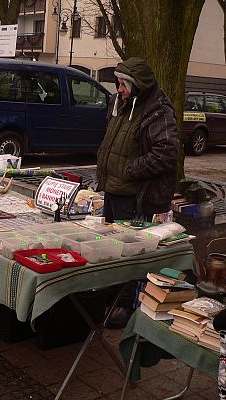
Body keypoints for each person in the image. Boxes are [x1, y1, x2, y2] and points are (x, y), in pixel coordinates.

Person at [96, 57, 179, 328]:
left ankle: (125, 306)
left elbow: (167, 152)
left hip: (134, 196)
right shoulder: (120, 104)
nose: (118, 89)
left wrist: (132, 169)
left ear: (137, 85)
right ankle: (108, 298)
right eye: (118, 83)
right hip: (113, 190)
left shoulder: (157, 111)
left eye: (123, 84)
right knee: (110, 250)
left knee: (130, 255)